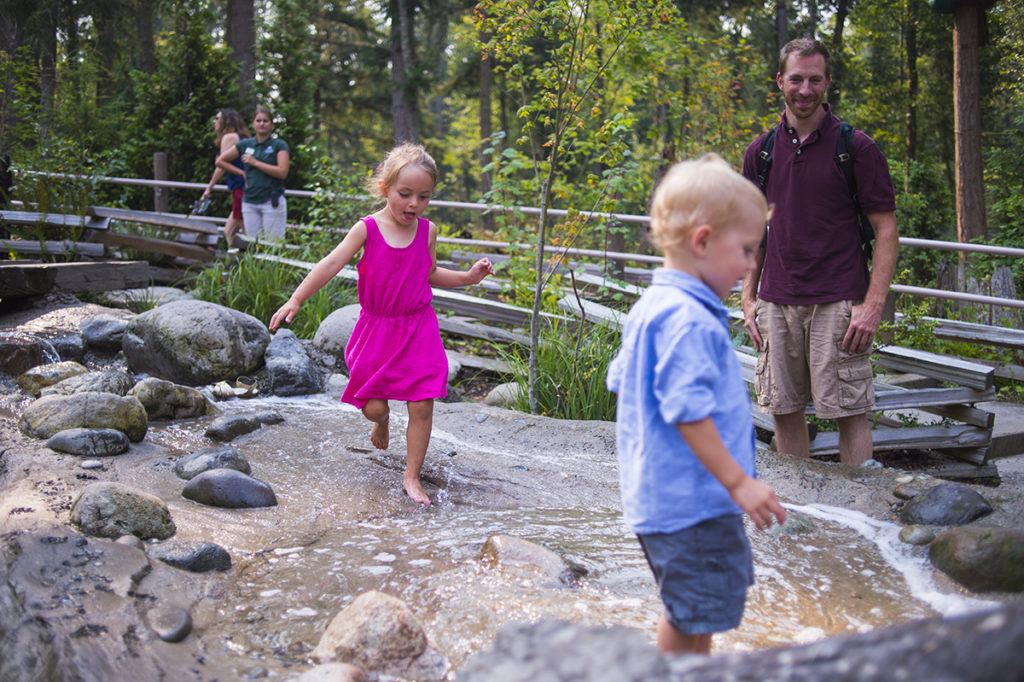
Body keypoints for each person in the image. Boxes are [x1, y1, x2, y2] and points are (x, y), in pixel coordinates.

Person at [606, 155, 787, 655]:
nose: (752, 264)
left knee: (688, 612)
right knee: (695, 612)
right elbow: (685, 409)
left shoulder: (651, 306)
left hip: (660, 499)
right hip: (692, 503)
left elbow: (622, 383)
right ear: (703, 240)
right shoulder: (689, 320)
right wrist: (738, 481)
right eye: (747, 250)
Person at [269, 143, 493, 506]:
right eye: (405, 194)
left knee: (422, 404)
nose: (413, 205)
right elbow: (329, 264)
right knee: (374, 405)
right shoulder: (367, 229)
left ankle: (411, 476)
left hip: (417, 328)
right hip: (376, 330)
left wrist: (468, 278)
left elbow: (430, 272)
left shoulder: (428, 231)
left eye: (423, 197)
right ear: (385, 188)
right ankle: (382, 420)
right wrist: (297, 298)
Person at [740, 38, 898, 466]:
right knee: (784, 410)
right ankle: (801, 523)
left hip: (840, 301)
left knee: (850, 412)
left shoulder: (856, 148)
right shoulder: (762, 152)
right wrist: (748, 297)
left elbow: (886, 230)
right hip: (777, 302)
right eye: (796, 79)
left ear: (827, 82)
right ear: (780, 81)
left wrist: (872, 305)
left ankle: (859, 522)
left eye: (814, 79)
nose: (805, 89)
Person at [216, 105, 290, 243]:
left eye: (265, 121)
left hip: (271, 202)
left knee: (273, 245)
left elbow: (282, 172)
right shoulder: (245, 144)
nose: (261, 124)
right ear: (253, 123)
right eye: (258, 120)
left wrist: (256, 163)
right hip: (249, 201)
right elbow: (221, 161)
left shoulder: (279, 145)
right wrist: (241, 172)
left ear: (271, 125)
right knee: (252, 244)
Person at [202, 108, 249, 245]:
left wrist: (209, 188)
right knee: (230, 230)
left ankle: (248, 260)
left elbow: (221, 165)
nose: (214, 122)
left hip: (241, 186)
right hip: (242, 186)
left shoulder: (229, 137)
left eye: (217, 119)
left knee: (240, 230)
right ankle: (238, 260)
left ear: (226, 121)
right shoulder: (240, 137)